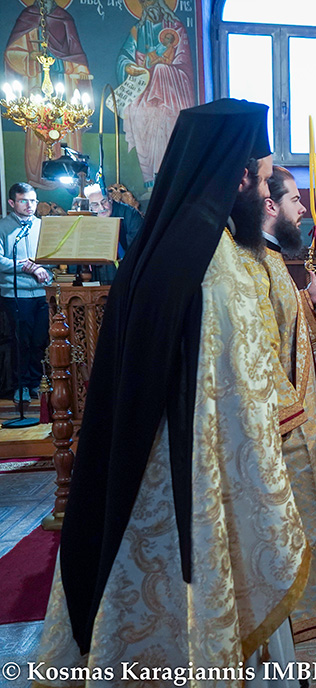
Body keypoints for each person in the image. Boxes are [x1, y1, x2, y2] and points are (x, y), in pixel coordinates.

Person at [34, 99, 309, 683]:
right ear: (236, 177)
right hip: (195, 479)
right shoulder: (217, 265)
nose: (266, 195)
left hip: (138, 476)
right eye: (261, 180)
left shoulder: (167, 246)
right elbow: (242, 392)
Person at [262, 165, 316, 641]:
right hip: (283, 422)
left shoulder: (268, 259)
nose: (302, 209)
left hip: (296, 414)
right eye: (295, 199)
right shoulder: (254, 259)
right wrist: (302, 297)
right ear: (270, 205)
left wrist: (302, 296)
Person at [4, 0, 93, 189]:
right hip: (36, 81)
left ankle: (73, 175)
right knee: (36, 124)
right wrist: (33, 59)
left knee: (67, 123)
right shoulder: (27, 17)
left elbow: (76, 54)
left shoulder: (64, 18)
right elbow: (13, 52)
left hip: (63, 83)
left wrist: (73, 67)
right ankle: (38, 176)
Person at [117, 0, 196, 193]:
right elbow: (124, 57)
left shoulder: (176, 28)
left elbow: (182, 62)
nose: (148, 6)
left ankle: (170, 179)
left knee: (161, 71)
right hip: (145, 91)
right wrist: (130, 67)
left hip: (171, 92)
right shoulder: (138, 30)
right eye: (144, 3)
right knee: (137, 113)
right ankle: (150, 182)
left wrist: (160, 66)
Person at [0, 182, 52, 403]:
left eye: (33, 200)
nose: (30, 205)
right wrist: (26, 266)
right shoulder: (3, 227)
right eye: (24, 201)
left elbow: (54, 255)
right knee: (21, 341)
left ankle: (35, 383)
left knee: (40, 340)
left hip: (43, 293)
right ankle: (20, 385)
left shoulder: (43, 226)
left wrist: (44, 269)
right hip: (15, 294)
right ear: (12, 203)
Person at [84, 184, 145, 284]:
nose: (101, 208)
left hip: (126, 270)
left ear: (110, 199)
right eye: (95, 205)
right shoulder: (86, 218)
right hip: (96, 272)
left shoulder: (130, 214)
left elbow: (139, 245)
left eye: (103, 201)